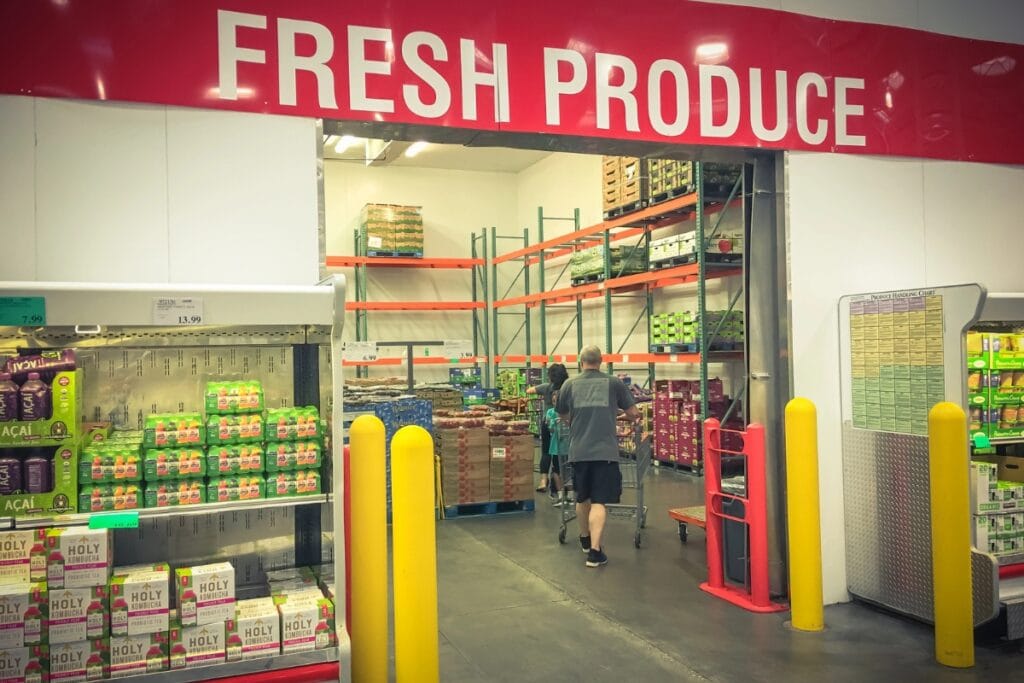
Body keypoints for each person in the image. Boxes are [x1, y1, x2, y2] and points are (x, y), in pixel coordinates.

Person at [556, 346, 639, 567]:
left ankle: (584, 539)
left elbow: (562, 413)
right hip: (605, 452)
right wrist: (620, 415)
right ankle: (594, 552)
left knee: (582, 498)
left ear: (580, 361)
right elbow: (633, 413)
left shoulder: (569, 384)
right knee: (599, 501)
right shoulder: (613, 383)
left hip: (578, 451)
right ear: (601, 361)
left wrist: (573, 423)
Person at [526, 363, 568, 494]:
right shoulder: (568, 388)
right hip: (565, 423)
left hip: (547, 423)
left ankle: (543, 480)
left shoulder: (546, 388)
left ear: (550, 376)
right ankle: (562, 485)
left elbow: (529, 391)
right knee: (562, 453)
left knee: (546, 452)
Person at [545, 390, 569, 505]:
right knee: (556, 470)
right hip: (556, 447)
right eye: (554, 401)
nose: (555, 404)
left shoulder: (570, 412)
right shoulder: (550, 412)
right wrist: (552, 423)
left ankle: (570, 494)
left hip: (570, 446)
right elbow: (550, 429)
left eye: (558, 401)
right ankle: (561, 495)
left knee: (570, 470)